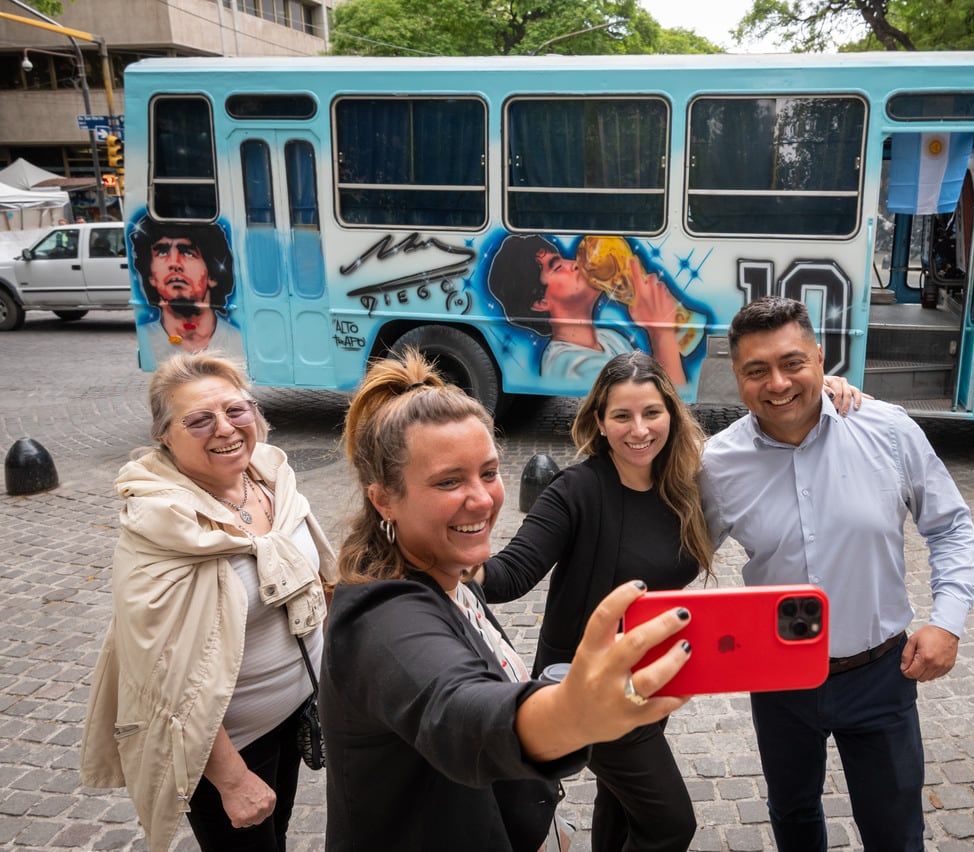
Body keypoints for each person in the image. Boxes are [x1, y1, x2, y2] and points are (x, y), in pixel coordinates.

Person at [319, 350, 696, 852]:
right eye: (449, 481)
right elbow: (457, 709)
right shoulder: (382, 618)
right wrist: (571, 713)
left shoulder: (452, 578)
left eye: (489, 472)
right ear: (383, 498)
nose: (481, 498)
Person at [699, 297, 974, 852]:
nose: (777, 383)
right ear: (737, 376)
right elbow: (678, 556)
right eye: (757, 370)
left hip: (880, 673)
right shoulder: (718, 463)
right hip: (778, 676)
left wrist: (947, 622)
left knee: (895, 831)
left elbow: (951, 527)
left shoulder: (887, 430)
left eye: (792, 363)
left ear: (821, 359)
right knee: (793, 817)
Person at [81, 352, 336, 852]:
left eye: (236, 410)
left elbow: (317, 578)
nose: (225, 428)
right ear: (164, 435)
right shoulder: (161, 522)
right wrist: (231, 778)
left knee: (278, 833)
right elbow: (161, 673)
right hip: (226, 748)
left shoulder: (270, 479)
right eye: (199, 420)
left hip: (294, 712)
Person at [482, 351, 711, 852]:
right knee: (671, 823)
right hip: (591, 687)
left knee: (623, 807)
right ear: (600, 423)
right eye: (622, 415)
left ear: (671, 414)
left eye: (651, 413)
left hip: (652, 678)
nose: (639, 429)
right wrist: (448, 560)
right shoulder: (576, 490)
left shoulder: (680, 487)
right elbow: (511, 573)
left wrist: (828, 394)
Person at [488, 234, 688, 385]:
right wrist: (660, 332)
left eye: (563, 259)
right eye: (557, 267)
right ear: (540, 302)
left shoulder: (610, 338)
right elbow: (660, 405)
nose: (575, 264)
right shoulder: (568, 364)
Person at [131, 215, 241, 356]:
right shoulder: (147, 339)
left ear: (212, 275)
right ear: (151, 276)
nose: (174, 264)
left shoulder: (237, 339)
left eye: (188, 253)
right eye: (162, 252)